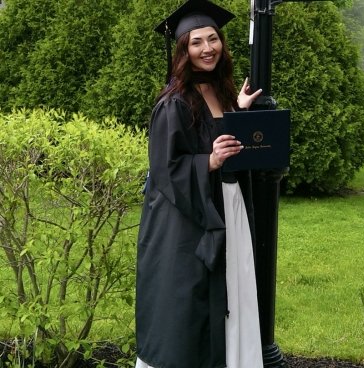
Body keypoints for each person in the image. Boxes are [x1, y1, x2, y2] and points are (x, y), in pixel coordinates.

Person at [135, 0, 264, 367]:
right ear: (183, 51)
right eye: (196, 42)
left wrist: (236, 110)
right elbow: (164, 169)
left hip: (228, 206)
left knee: (232, 290)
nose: (207, 48)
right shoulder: (173, 103)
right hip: (188, 221)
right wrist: (208, 160)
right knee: (190, 303)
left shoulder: (220, 92)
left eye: (212, 39)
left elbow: (218, 130)